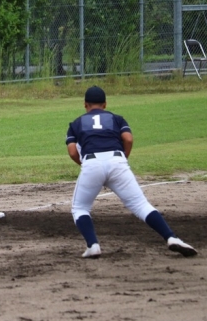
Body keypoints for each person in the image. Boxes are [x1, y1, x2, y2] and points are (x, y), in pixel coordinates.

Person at [65, 85, 198, 258]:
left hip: (91, 162)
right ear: (105, 104)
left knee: (80, 208)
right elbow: (127, 139)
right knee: (141, 205)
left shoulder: (76, 123)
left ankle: (93, 246)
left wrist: (87, 166)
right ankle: (172, 237)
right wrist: (123, 159)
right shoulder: (117, 119)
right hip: (117, 161)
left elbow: (72, 151)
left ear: (85, 105)